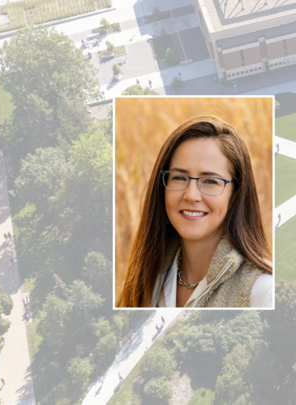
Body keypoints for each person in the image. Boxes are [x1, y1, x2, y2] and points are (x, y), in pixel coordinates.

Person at [117, 115, 273, 308]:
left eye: (210, 181)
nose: (191, 195)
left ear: (235, 195)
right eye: (179, 178)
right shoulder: (145, 282)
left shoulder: (263, 293)